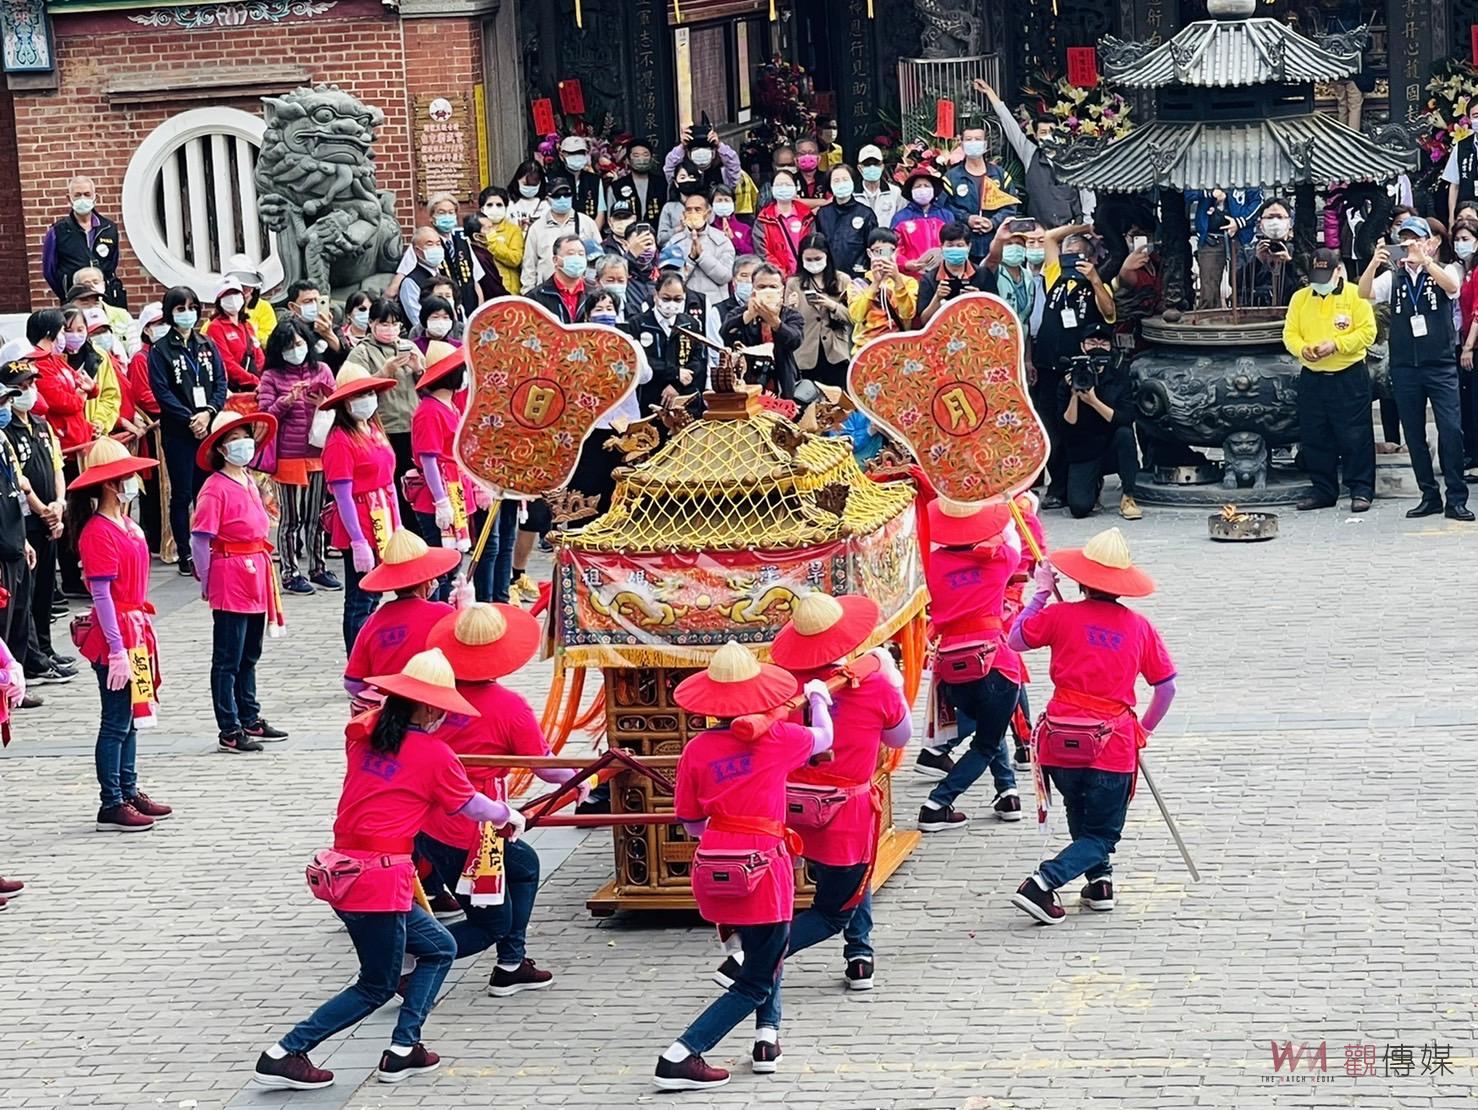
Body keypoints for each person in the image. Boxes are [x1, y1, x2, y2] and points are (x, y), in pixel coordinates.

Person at [250, 648, 512, 1091]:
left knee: (440, 947)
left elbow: (364, 716)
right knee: (376, 984)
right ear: (429, 707)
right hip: (379, 881)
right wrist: (508, 814)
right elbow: (472, 806)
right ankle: (287, 1051)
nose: (443, 718)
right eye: (441, 709)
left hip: (347, 872)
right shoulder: (433, 754)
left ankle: (406, 1047)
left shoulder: (364, 737)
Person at [654, 640, 834, 1091]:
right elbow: (826, 738)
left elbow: (692, 823)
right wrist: (817, 698)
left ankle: (766, 1038)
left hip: (715, 865)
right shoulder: (780, 739)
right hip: (763, 868)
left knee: (766, 955)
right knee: (756, 976)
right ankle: (681, 1053)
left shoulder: (697, 748)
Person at [1006, 528, 1176, 923]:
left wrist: (1041, 593)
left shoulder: (1059, 614)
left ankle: (1099, 882)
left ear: (1080, 580)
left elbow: (1015, 639)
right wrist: (1144, 731)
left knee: (1078, 806)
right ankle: (1043, 882)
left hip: (1060, 742)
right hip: (1111, 744)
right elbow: (1165, 689)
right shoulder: (1139, 627)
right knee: (1103, 833)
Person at [749, 593, 909, 994]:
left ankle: (857, 952)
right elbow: (899, 735)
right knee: (852, 881)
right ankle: (855, 953)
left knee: (841, 878)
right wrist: (893, 683)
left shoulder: (780, 690)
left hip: (786, 803)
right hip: (847, 808)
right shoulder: (872, 685)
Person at [422, 603, 577, 993]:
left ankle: (511, 962)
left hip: (428, 818)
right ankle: (410, 958)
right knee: (490, 923)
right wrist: (579, 779)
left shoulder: (430, 695)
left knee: (523, 866)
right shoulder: (509, 707)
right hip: (473, 823)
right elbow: (543, 766)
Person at [67, 437, 171, 831]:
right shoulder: (98, 532)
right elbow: (102, 596)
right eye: (127, 475)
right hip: (116, 633)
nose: (134, 481)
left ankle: (128, 787)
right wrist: (115, 650)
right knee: (115, 719)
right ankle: (111, 800)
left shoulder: (127, 524)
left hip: (135, 628)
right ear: (112, 483)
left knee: (132, 713)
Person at [913, 497, 1024, 830]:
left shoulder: (929, 563)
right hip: (994, 663)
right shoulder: (1000, 559)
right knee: (986, 743)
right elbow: (1013, 535)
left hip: (951, 667)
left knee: (993, 726)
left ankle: (1007, 794)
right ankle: (937, 803)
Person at [1358, 218, 1472, 520]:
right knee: (1414, 433)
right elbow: (1363, 294)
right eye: (1404, 241)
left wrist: (1425, 262)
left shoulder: (1446, 269)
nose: (1409, 246)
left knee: (1450, 430)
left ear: (1428, 242)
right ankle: (1429, 494)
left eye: (1415, 240)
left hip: (1440, 365)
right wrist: (1374, 263)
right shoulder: (1394, 278)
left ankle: (1457, 496)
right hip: (1405, 366)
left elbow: (1453, 288)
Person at [190, 411, 287, 753]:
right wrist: (206, 578)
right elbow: (200, 538)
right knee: (228, 656)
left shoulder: (247, 478)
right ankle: (229, 726)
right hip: (230, 571)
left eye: (245, 437)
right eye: (233, 440)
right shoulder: (215, 488)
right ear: (221, 448)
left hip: (255, 569)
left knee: (250, 653)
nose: (242, 444)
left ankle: (250, 715)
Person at [1280, 247, 1379, 513]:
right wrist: (1303, 349)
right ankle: (1323, 490)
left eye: (1325, 276)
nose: (1319, 283)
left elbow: (1368, 333)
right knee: (1315, 435)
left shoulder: (1355, 296)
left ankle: (1361, 489)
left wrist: (1337, 344)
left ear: (1338, 271)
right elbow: (1290, 333)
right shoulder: (1300, 298)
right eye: (1316, 277)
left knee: (1355, 435)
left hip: (1348, 374)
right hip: (1313, 376)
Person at [147, 286, 226, 578]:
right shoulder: (160, 350)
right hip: (179, 431)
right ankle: (185, 551)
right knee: (182, 493)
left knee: (206, 490)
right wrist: (190, 418)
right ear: (170, 312)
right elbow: (162, 392)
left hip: (208, 427)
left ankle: (209, 544)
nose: (187, 314)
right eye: (180, 309)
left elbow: (219, 382)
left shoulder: (207, 344)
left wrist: (208, 414)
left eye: (192, 307)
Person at [320, 366, 401, 650]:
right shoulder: (340, 441)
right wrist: (357, 541)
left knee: (375, 594)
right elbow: (342, 495)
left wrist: (399, 525)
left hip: (385, 515)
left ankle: (371, 653)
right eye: (359, 395)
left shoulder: (374, 429)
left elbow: (390, 482)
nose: (367, 399)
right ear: (345, 402)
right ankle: (357, 664)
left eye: (369, 393)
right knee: (360, 598)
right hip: (360, 520)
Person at [1035, 225, 1116, 508]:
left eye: (1078, 255)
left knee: (1076, 428)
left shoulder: (1096, 283)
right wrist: (1084, 228)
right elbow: (1048, 238)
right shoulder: (1055, 276)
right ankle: (1057, 486)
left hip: (1079, 368)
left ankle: (1087, 480)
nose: (1071, 259)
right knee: (1051, 430)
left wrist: (1094, 278)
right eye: (1068, 254)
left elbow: (1108, 313)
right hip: (1047, 364)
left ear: (1091, 259)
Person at [3, 360, 73, 686]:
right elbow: (20, 482)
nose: (28, 391)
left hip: (50, 516)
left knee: (46, 588)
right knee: (24, 599)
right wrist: (43, 509)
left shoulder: (41, 425)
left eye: (32, 384)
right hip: (26, 521)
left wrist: (58, 504)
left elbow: (57, 466)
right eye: (20, 387)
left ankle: (44, 647)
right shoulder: (6, 432)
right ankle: (30, 657)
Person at [257, 318, 338, 595]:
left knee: (315, 515)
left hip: (317, 452)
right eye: (289, 346)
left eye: (300, 343)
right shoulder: (271, 377)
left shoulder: (323, 370)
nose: (296, 350)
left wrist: (323, 403)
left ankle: (318, 567)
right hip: (288, 455)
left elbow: (338, 406)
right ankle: (290, 572)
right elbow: (265, 415)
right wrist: (286, 401)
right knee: (291, 518)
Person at [343, 528, 461, 711]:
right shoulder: (444, 614)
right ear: (428, 580)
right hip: (433, 710)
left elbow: (353, 682)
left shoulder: (374, 621)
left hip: (387, 715)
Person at [343, 299, 424, 515]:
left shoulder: (409, 347)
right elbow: (354, 389)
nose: (390, 330)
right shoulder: (361, 352)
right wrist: (383, 374)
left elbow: (431, 387)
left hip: (413, 426)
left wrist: (418, 369)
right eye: (384, 324)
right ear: (371, 324)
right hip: (385, 429)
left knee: (416, 485)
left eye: (395, 324)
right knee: (392, 484)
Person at [1057, 322, 1142, 520]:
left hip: (1112, 446)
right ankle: (1094, 484)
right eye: (1092, 341)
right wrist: (1074, 396)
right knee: (1079, 508)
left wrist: (1094, 402)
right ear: (1082, 346)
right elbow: (1066, 426)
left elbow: (1126, 419)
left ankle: (1129, 495)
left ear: (1110, 347)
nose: (1097, 345)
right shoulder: (1070, 378)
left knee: (1125, 435)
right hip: (1084, 450)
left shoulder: (1119, 377)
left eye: (1103, 342)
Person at [975, 79, 1082, 229]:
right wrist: (990, 93)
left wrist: (1086, 226)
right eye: (1043, 132)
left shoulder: (1073, 157)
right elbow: (1009, 124)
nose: (1048, 136)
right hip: (1040, 231)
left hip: (1070, 229)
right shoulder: (1030, 154)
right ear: (1036, 136)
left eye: (1052, 131)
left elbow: (1086, 193)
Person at [408, 349, 471, 597]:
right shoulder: (429, 411)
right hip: (437, 497)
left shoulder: (450, 407)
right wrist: (441, 501)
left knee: (454, 565)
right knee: (440, 567)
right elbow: (429, 460)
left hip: (456, 489)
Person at [719, 264, 804, 397]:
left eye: (773, 287)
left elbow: (795, 340)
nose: (767, 291)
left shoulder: (791, 315)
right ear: (753, 289)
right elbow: (725, 333)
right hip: (747, 382)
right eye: (762, 287)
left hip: (782, 381)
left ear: (782, 290)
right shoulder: (739, 313)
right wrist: (748, 316)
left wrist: (775, 322)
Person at [944, 115, 1020, 263]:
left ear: (985, 144)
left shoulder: (1000, 175)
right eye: (969, 139)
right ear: (961, 143)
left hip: (995, 245)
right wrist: (967, 218)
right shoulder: (951, 178)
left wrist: (993, 222)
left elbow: (1011, 207)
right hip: (963, 247)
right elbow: (945, 208)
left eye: (978, 139)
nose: (974, 143)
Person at [43, 176, 126, 307]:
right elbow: (50, 271)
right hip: (74, 302)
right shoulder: (57, 231)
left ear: (95, 197)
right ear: (69, 198)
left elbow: (112, 263)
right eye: (77, 195)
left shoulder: (109, 228)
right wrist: (66, 293)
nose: (83, 199)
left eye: (87, 194)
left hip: (105, 300)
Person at [784, 234, 853, 390]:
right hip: (806, 351)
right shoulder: (794, 283)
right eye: (808, 259)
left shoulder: (842, 280)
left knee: (840, 402)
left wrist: (832, 305)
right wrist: (789, 307)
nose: (813, 263)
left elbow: (854, 317)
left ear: (827, 256)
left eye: (817, 259)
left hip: (835, 352)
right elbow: (786, 321)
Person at [634, 273, 708, 413]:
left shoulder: (690, 324)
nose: (671, 304)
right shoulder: (639, 323)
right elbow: (641, 361)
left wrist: (676, 385)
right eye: (666, 298)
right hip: (651, 398)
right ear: (656, 296)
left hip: (684, 397)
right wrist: (674, 373)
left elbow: (698, 360)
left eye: (677, 299)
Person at [1187, 188, 1262, 309]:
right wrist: (1209, 193)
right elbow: (1186, 193)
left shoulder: (1247, 173)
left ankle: (1244, 321)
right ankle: (1207, 322)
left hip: (1240, 237)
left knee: (1242, 285)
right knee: (1208, 290)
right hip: (1210, 237)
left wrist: (1240, 222)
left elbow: (1258, 201)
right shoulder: (1203, 171)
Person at [848, 228, 919, 355]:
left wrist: (897, 280)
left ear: (896, 252)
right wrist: (875, 283)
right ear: (870, 253)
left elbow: (908, 315)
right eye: (879, 251)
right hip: (865, 350)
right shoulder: (858, 284)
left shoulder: (909, 282)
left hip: (898, 349)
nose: (884, 256)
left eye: (889, 251)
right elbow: (856, 317)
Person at [520, 180, 599, 292]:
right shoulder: (537, 228)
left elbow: (599, 259)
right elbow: (529, 266)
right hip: (547, 293)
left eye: (566, 195)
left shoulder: (587, 223)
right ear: (548, 200)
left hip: (582, 291)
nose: (562, 199)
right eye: (557, 196)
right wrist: (528, 294)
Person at [667, 187, 735, 306]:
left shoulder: (722, 240)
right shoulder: (674, 242)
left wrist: (702, 257)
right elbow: (669, 281)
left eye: (698, 209)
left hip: (716, 304)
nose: (693, 213)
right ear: (684, 214)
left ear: (707, 213)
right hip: (685, 305)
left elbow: (725, 277)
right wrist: (691, 260)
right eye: (689, 210)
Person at [918, 221, 990, 326]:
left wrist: (977, 298)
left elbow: (995, 313)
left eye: (960, 245)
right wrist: (937, 298)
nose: (955, 249)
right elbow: (924, 321)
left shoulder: (983, 274)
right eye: (950, 246)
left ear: (969, 247)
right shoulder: (929, 279)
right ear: (942, 247)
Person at [814, 165, 878, 277]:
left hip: (859, 277)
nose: (841, 184)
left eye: (845, 179)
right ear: (830, 185)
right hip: (830, 276)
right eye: (836, 181)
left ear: (852, 182)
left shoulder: (866, 213)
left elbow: (875, 248)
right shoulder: (822, 214)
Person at [201, 277, 261, 391]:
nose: (232, 298)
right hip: (235, 389)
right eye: (227, 295)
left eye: (235, 293)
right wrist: (254, 381)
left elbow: (258, 355)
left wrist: (265, 380)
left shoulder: (247, 325)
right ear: (219, 301)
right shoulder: (215, 327)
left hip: (257, 387)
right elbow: (227, 363)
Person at [752, 169, 814, 279]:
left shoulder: (807, 216)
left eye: (788, 184)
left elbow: (814, 244)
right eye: (779, 185)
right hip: (776, 278)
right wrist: (782, 274)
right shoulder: (763, 219)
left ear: (796, 188)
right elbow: (763, 252)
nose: (783, 188)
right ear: (772, 189)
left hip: (806, 276)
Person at [890, 167, 950, 276]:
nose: (922, 189)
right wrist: (905, 264)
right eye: (918, 186)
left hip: (942, 276)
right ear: (911, 191)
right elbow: (893, 248)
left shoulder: (946, 216)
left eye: (926, 186)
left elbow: (953, 242)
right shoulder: (900, 218)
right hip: (910, 278)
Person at [1453, 220, 1478, 463]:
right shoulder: (1467, 271)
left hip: (1473, 346)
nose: (1461, 244)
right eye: (1457, 240)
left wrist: (1468, 347)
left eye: (1466, 239)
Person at [67, 270, 136, 355]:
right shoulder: (66, 322)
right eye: (85, 303)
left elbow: (134, 348)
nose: (92, 306)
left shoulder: (122, 315)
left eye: (96, 282)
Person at [663, 118, 740, 194]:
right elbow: (669, 167)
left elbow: (733, 165)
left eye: (706, 149)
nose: (701, 153)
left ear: (713, 152)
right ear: (689, 154)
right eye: (696, 149)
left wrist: (719, 145)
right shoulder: (683, 173)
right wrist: (682, 147)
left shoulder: (723, 173)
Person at [281, 280, 344, 371]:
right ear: (292, 307)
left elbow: (345, 356)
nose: (314, 305)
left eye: (317, 301)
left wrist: (328, 334)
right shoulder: (287, 330)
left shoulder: (333, 328)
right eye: (308, 301)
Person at [528, 235, 590, 324]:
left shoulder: (594, 292)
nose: (577, 258)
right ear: (555, 260)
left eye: (581, 254)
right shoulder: (537, 297)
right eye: (571, 253)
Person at [221, 254, 278, 350]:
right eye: (240, 284)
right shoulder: (224, 307)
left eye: (248, 284)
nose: (245, 288)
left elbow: (271, 339)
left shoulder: (264, 307)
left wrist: (249, 334)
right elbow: (207, 334)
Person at [476, 187, 525, 296]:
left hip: (508, 289)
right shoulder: (475, 229)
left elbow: (515, 259)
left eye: (499, 205)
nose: (494, 208)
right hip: (483, 289)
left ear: (506, 207)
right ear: (482, 208)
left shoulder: (513, 230)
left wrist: (492, 243)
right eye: (489, 205)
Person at [548, 134, 606, 226]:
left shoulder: (594, 180)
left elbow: (601, 214)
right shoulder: (552, 179)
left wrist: (592, 235)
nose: (576, 156)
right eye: (571, 153)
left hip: (590, 234)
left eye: (580, 153)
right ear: (561, 155)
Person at [609, 140, 666, 224]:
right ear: (627, 160)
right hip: (627, 234)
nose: (641, 159)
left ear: (652, 158)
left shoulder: (662, 183)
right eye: (636, 155)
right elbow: (611, 218)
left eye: (645, 155)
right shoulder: (616, 187)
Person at [658, 161, 707, 247]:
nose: (687, 180)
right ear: (676, 183)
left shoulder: (706, 205)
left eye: (691, 177)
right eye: (682, 177)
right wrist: (679, 228)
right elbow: (660, 239)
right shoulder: (669, 207)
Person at [855, 145, 903, 229]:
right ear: (860, 168)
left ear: (882, 166)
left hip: (888, 240)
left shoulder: (895, 192)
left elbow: (902, 222)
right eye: (867, 164)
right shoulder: (852, 195)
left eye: (876, 164)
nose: (872, 167)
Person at [710, 184, 754, 258]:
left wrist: (733, 239)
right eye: (719, 200)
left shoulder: (745, 229)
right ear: (712, 204)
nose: (723, 203)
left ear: (733, 203)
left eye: (726, 200)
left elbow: (751, 253)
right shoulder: (709, 228)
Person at [793, 137, 831, 202]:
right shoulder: (791, 180)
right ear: (796, 159)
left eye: (811, 153)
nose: (807, 156)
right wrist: (822, 202)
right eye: (802, 154)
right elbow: (791, 203)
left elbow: (832, 201)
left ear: (818, 158)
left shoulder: (828, 178)